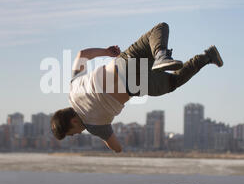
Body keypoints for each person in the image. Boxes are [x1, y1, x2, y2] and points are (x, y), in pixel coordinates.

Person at [50, 22, 224, 153]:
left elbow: (117, 148)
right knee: (160, 28)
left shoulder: (94, 126)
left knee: (174, 82)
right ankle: (160, 55)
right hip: (123, 62)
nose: (77, 134)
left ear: (73, 121)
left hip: (136, 84)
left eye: (72, 133)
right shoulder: (73, 88)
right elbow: (83, 54)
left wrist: (103, 137)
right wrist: (107, 52)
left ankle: (207, 57)